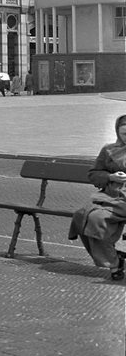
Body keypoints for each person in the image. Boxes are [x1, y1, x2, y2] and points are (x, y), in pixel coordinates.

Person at [69, 114, 126, 270]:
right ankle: (112, 258)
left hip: (123, 200)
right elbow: (94, 174)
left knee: (96, 219)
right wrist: (110, 176)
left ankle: (113, 264)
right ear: (117, 133)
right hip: (108, 196)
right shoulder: (108, 150)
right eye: (123, 134)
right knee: (80, 215)